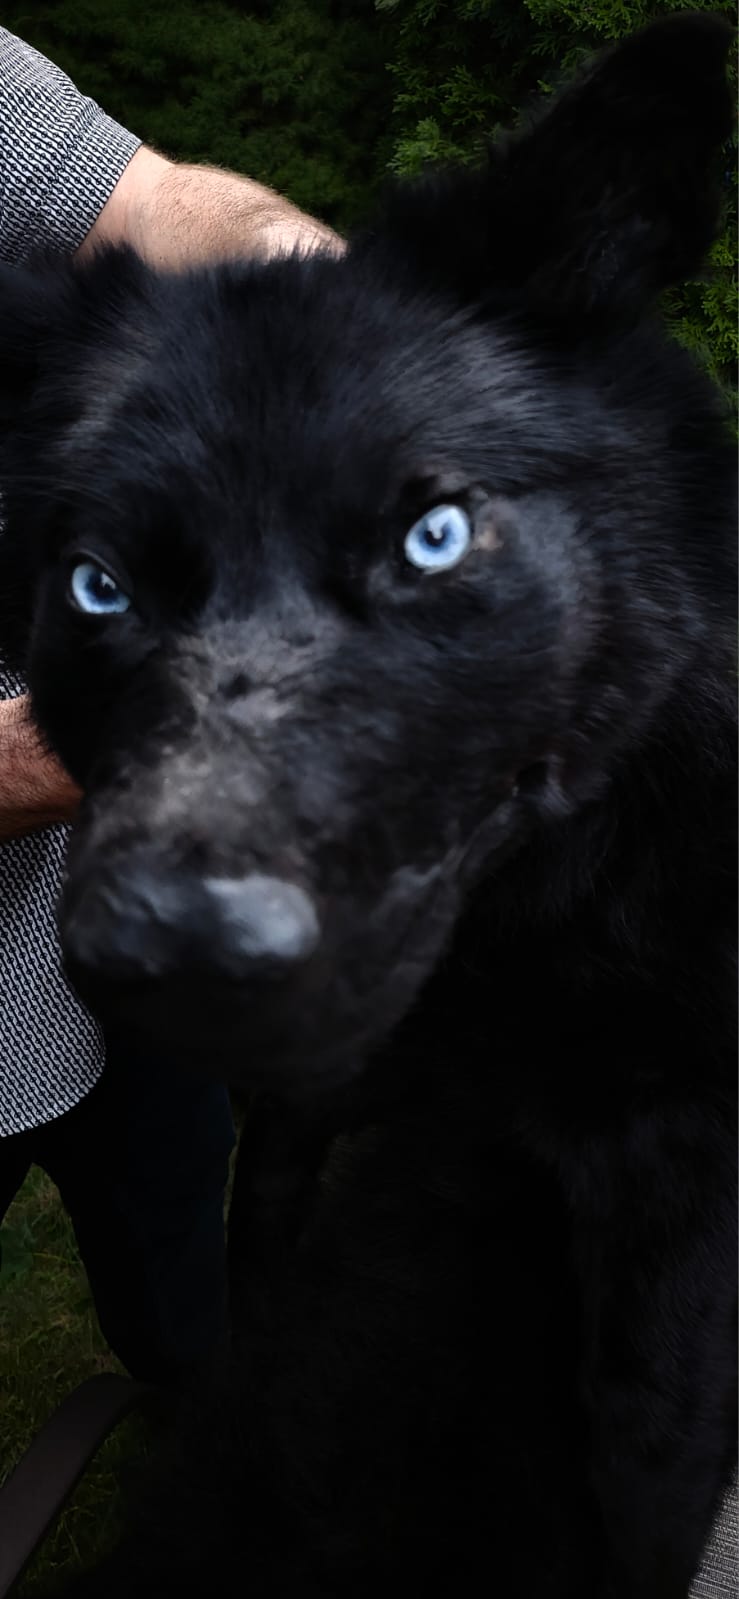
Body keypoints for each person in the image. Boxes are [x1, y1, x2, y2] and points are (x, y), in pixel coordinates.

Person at [0, 24, 341, 1386]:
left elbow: (157, 203)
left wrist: (352, 323)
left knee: (182, 1261)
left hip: (116, 945)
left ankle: (196, 1412)